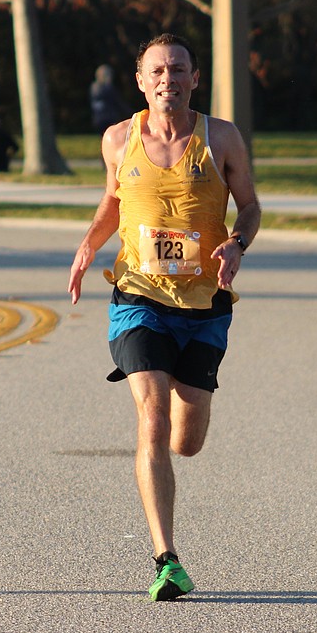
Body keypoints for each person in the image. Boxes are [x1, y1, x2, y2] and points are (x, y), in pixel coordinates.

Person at [68, 33, 261, 601]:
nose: (167, 79)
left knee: (186, 441)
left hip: (204, 305)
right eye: (157, 71)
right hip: (138, 296)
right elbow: (113, 200)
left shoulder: (221, 137)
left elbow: (250, 206)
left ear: (194, 79)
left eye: (178, 70)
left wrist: (236, 244)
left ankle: (183, 396)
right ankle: (166, 560)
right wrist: (88, 246)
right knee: (151, 418)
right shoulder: (118, 138)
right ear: (140, 81)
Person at [89, 64, 130, 135]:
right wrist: (129, 112)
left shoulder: (93, 88)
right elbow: (118, 102)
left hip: (97, 119)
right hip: (109, 118)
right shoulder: (109, 88)